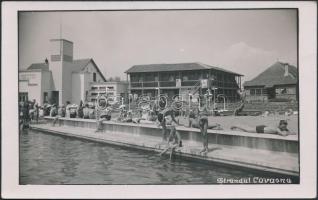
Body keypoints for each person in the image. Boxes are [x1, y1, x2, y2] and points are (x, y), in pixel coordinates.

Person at [230, 120, 295, 136]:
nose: (284, 128)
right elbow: (283, 134)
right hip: (260, 129)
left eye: (285, 127)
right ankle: (235, 125)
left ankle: (236, 127)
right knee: (247, 130)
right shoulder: (277, 129)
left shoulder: (282, 128)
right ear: (280, 125)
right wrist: (288, 133)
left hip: (264, 127)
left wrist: (291, 133)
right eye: (283, 126)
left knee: (247, 129)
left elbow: (288, 131)